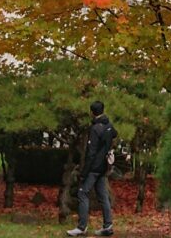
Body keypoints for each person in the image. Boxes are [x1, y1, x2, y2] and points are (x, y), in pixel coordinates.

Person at [67, 100, 118, 237]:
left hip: (94, 167)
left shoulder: (95, 128)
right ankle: (108, 226)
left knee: (82, 193)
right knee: (103, 196)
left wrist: (84, 172)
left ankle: (81, 227)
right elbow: (115, 134)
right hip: (103, 167)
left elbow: (91, 153)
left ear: (91, 112)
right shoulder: (108, 125)